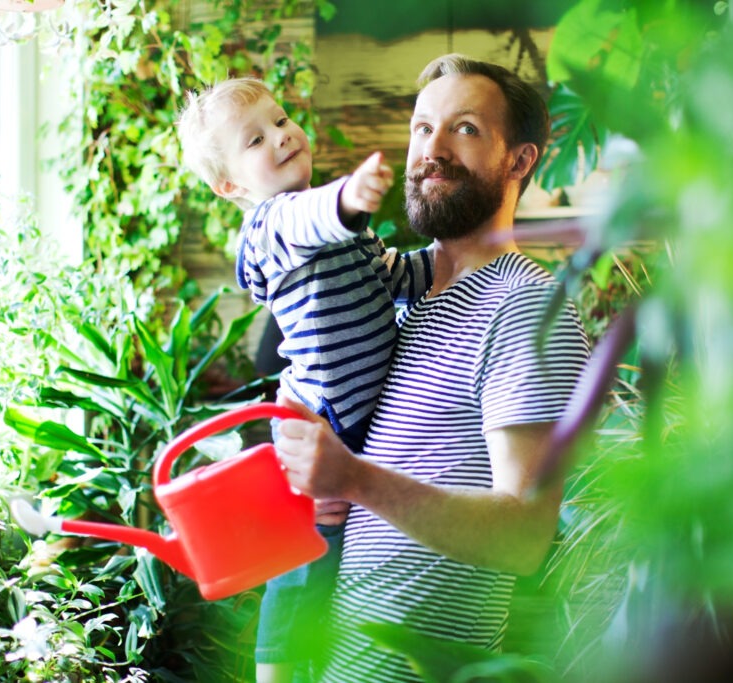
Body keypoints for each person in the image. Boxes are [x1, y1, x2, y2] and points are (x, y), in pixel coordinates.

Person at [273, 54, 592, 681]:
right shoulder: (382, 289)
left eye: (466, 129)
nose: (433, 149)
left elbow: (524, 537)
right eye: (423, 128)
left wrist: (356, 479)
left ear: (520, 161)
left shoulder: (525, 306)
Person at [176, 78, 435, 682]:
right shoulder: (272, 226)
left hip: (358, 415)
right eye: (256, 138)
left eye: (281, 118)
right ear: (231, 186)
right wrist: (348, 198)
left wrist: (452, 258)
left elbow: (394, 278)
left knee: (346, 551)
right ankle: (277, 673)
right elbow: (310, 219)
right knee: (307, 557)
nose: (282, 134)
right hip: (322, 416)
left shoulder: (343, 227)